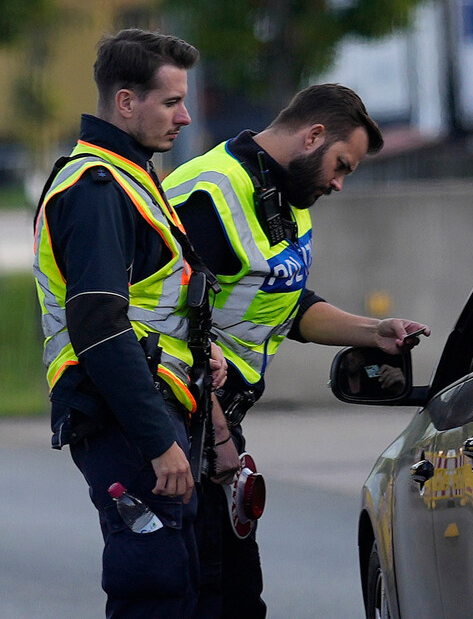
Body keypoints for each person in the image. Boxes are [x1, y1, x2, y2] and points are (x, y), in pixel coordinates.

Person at [164, 83, 429, 618]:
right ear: (312, 136)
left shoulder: (287, 197)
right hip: (180, 419)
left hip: (216, 424)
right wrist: (217, 437)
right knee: (200, 594)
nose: (339, 183)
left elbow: (284, 303)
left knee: (238, 594)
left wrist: (372, 332)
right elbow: (166, 327)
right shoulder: (210, 194)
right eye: (341, 165)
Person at [31, 28, 227, 618]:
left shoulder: (132, 178)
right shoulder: (96, 189)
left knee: (180, 583)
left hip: (148, 410)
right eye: (171, 102)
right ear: (125, 102)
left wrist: (198, 358)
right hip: (124, 419)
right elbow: (100, 327)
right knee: (152, 588)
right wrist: (158, 441)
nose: (186, 117)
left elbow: (152, 308)